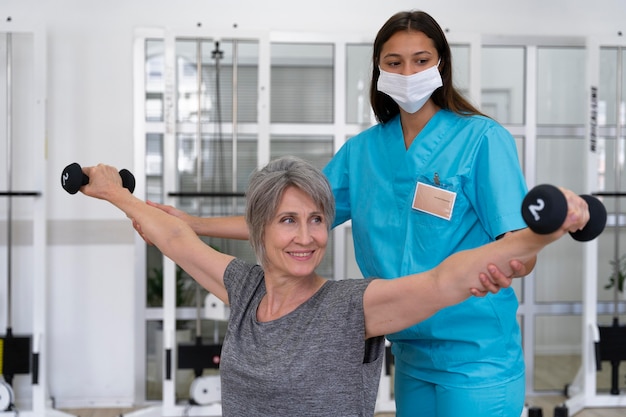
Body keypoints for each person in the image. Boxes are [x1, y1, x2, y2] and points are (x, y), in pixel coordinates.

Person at [136, 10, 536, 416]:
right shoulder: (363, 152)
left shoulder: (482, 139)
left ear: (441, 65)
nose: (408, 72)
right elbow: (285, 219)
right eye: (394, 62)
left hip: (477, 355)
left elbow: (521, 244)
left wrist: (512, 265)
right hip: (409, 352)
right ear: (379, 69)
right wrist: (194, 224)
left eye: (421, 60)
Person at [81, 157, 587, 417]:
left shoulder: (353, 306)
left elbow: (447, 277)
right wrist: (115, 195)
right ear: (258, 229)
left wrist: (546, 231)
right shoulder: (243, 287)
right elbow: (172, 235)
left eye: (317, 219)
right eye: (287, 221)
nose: (306, 237)